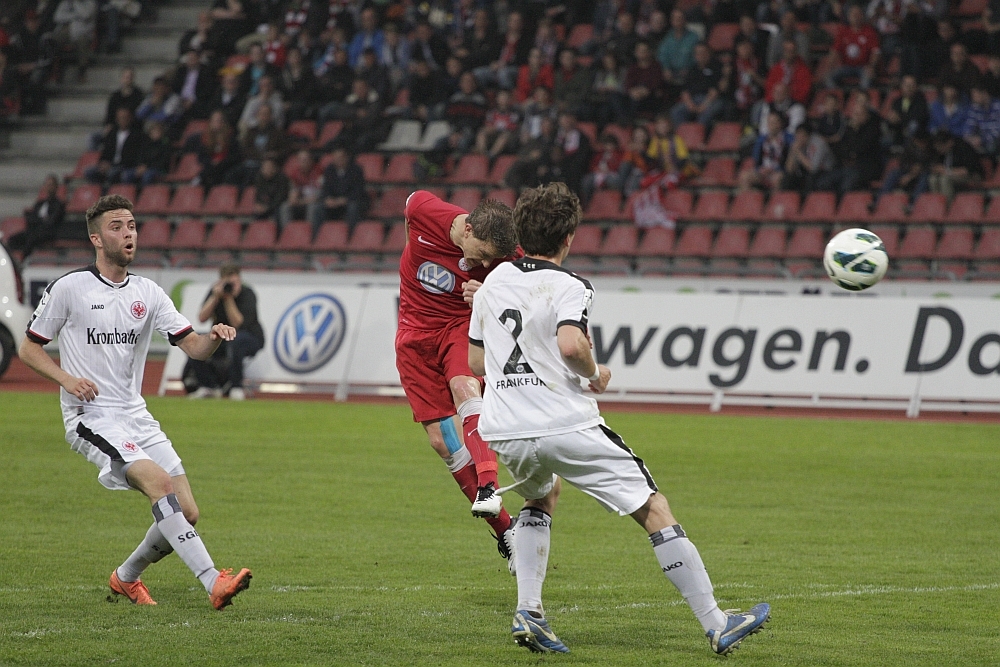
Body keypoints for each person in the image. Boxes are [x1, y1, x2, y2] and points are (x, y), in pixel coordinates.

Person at [467, 182, 771, 655]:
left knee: (541, 497)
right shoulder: (571, 285)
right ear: (568, 238)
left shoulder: (492, 285)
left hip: (506, 428)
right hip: (564, 423)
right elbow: (572, 345)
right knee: (653, 508)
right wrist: (595, 373)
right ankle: (717, 623)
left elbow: (474, 361)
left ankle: (529, 611)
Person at [18, 194, 252, 609]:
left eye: (131, 226)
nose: (128, 233)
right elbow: (29, 348)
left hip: (135, 414)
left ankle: (126, 577)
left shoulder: (149, 292)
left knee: (187, 512)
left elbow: (195, 347)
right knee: (160, 485)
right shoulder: (70, 288)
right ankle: (212, 581)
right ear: (96, 238)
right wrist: (67, 380)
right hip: (91, 416)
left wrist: (213, 337)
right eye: (117, 227)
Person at [395, 190, 520, 572]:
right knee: (441, 441)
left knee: (465, 386)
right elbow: (410, 215)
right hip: (413, 331)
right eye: (482, 254)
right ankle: (507, 530)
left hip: (458, 325)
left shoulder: (507, 256)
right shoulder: (423, 209)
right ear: (467, 229)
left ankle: (488, 484)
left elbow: (527, 292)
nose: (485, 263)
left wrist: (489, 293)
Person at [186, 263, 264, 400]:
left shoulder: (247, 294)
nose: (231, 287)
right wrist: (215, 297)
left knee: (236, 341)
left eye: (234, 283)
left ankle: (236, 386)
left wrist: (229, 299)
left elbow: (238, 324)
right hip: (223, 337)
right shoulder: (216, 292)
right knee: (195, 340)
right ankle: (208, 386)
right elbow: (202, 318)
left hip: (249, 337)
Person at [6, 175, 66, 257]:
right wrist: (41, 219)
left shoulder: (58, 204)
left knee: (31, 239)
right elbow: (31, 218)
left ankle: (24, 259)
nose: (49, 187)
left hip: (47, 232)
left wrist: (38, 220)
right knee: (13, 239)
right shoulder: (39, 203)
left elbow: (51, 221)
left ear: (56, 187)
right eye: (47, 185)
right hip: (33, 230)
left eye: (51, 185)